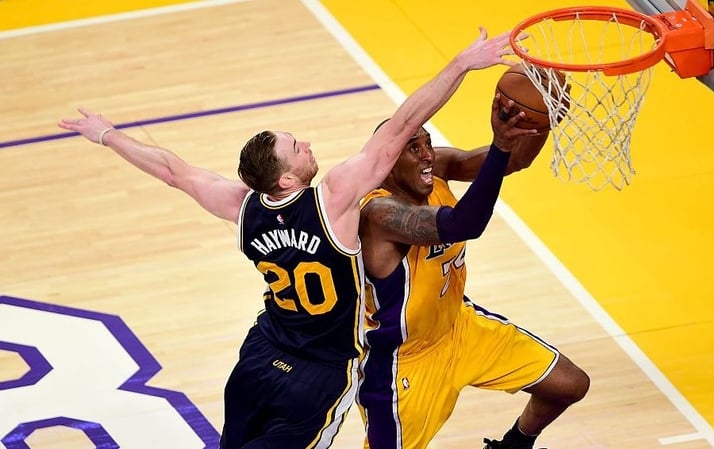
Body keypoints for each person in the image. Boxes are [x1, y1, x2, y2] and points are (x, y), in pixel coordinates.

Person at [57, 26, 521, 449]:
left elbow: (172, 171)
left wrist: (107, 135)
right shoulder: (333, 201)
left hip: (261, 353)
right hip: (320, 373)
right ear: (285, 179)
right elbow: (402, 125)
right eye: (297, 147)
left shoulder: (243, 208)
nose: (309, 145)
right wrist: (461, 64)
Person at [357, 100, 591, 448]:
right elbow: (464, 223)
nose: (427, 155)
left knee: (569, 384)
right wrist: (500, 145)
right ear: (387, 162)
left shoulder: (436, 169)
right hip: (402, 360)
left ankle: (514, 445)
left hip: (458, 326)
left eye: (427, 143)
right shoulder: (379, 213)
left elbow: (515, 160)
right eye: (413, 148)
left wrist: (540, 117)